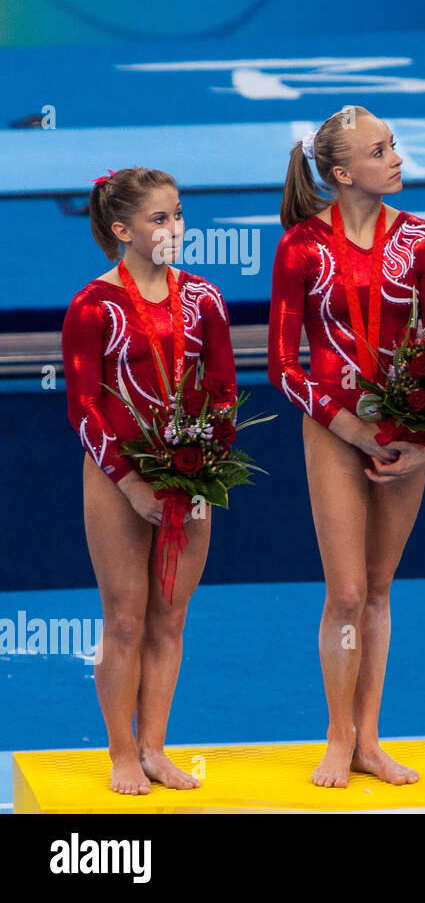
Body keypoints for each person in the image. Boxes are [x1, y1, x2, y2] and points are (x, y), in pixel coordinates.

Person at [269, 105, 425, 787]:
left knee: (377, 587)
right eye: (380, 151)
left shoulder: (424, 242)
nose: (397, 158)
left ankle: (371, 738)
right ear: (342, 173)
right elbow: (283, 364)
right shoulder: (302, 248)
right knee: (344, 590)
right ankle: (337, 734)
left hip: (404, 424)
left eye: (395, 145)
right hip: (335, 425)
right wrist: (345, 427)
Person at [63, 167, 236, 794]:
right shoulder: (94, 306)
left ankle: (156, 747)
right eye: (159, 219)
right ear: (122, 230)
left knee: (169, 618)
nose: (175, 228)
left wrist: (206, 461)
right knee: (126, 620)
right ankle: (121, 753)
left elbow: (222, 394)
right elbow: (83, 407)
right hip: (117, 475)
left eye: (179, 214)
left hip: (187, 475)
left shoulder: (204, 300)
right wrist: (130, 481)